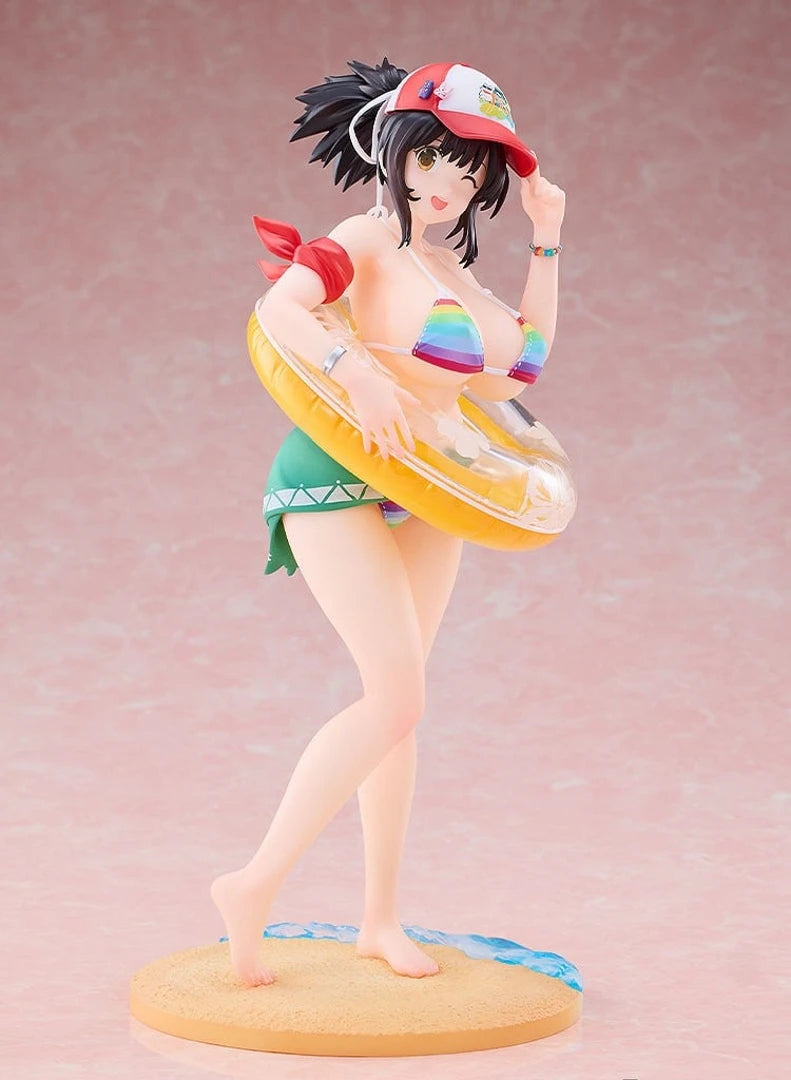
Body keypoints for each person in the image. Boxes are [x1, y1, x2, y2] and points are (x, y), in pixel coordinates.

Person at [212, 59, 566, 987]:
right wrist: (356, 373)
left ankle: (378, 919)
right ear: (396, 149)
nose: (448, 185)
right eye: (433, 159)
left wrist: (548, 240)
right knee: (397, 699)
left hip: (432, 486)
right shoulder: (363, 238)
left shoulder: (450, 266)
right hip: (338, 475)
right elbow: (282, 306)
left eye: (470, 171)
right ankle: (252, 884)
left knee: (398, 715)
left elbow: (516, 371)